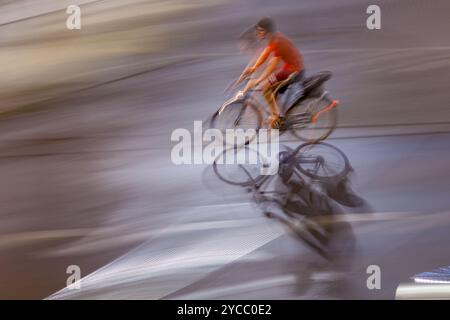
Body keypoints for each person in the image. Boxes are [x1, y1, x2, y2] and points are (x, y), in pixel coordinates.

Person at [240, 17, 305, 128]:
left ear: (267, 31)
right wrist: (254, 68)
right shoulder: (275, 38)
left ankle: (278, 117)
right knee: (271, 88)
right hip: (291, 68)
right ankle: (277, 115)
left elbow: (271, 65)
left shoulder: (278, 42)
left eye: (260, 31)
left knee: (265, 88)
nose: (257, 33)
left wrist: (260, 80)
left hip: (293, 71)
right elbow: (265, 53)